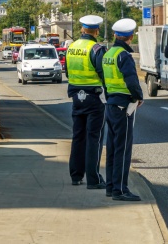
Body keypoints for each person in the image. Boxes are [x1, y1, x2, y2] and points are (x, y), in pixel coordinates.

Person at [102, 18, 144, 201]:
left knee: (112, 147)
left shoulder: (108, 54)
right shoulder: (124, 56)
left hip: (111, 103)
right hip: (123, 106)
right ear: (131, 36)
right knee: (123, 149)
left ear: (115, 35)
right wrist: (138, 97)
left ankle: (111, 187)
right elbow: (132, 81)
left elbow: (104, 81)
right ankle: (120, 190)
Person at [65, 15, 107, 189]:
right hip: (94, 97)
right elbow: (102, 73)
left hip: (76, 96)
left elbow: (67, 72)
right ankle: (93, 179)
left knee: (78, 136)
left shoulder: (71, 47)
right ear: (96, 31)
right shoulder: (97, 49)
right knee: (94, 138)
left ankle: (76, 176)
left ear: (82, 29)